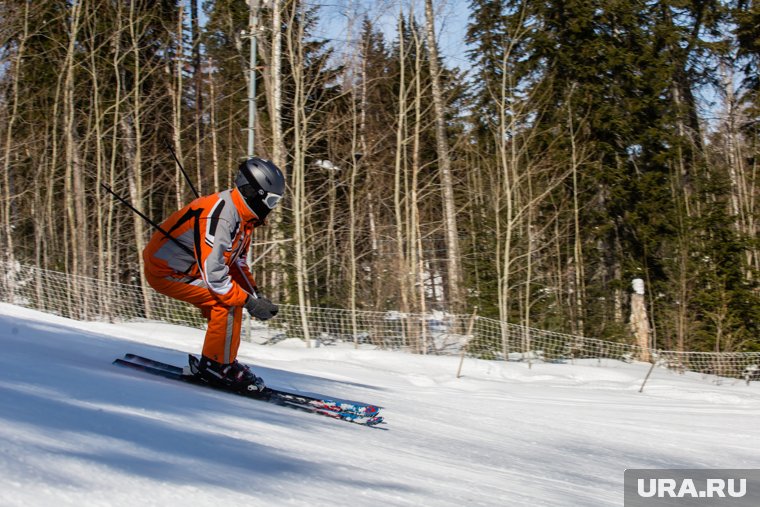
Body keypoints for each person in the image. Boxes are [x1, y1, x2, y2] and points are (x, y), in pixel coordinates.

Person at [143, 157, 285, 393]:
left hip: (190, 269)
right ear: (254, 193)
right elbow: (216, 276)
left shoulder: (242, 216)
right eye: (271, 200)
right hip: (166, 272)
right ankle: (217, 366)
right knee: (227, 303)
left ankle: (219, 360)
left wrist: (255, 293)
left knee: (231, 300)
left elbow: (236, 261)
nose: (272, 207)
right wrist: (249, 302)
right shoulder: (222, 216)